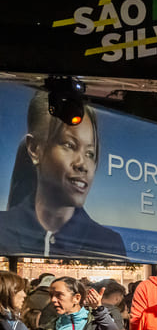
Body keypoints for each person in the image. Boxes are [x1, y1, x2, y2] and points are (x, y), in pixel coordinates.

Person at [0, 91, 125, 258]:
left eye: (90, 154)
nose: (82, 165)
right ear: (35, 149)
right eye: (69, 145)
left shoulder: (109, 244)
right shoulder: (4, 229)